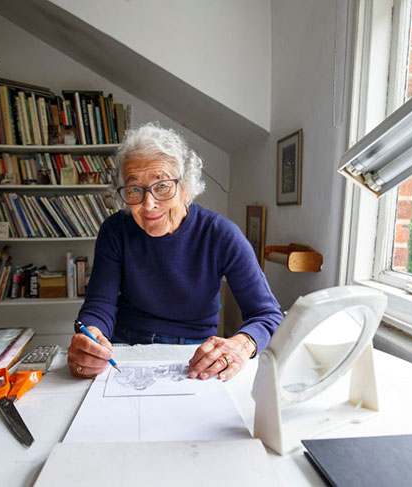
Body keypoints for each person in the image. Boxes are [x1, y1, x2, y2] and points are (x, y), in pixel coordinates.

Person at [68, 122, 282, 381]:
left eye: (162, 186)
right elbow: (100, 304)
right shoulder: (115, 231)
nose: (148, 205)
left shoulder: (222, 234)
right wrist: (92, 334)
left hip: (193, 352)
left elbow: (267, 315)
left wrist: (241, 345)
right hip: (124, 348)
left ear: (186, 188)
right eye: (135, 189)